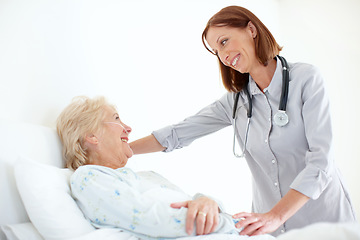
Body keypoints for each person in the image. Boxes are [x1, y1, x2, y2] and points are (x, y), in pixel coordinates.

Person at [129, 5, 357, 237]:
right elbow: (178, 133)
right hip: (268, 228)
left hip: (323, 220)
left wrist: (276, 215)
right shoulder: (236, 102)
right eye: (216, 50)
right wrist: (124, 150)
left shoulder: (306, 79)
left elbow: (321, 162)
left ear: (251, 29)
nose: (223, 55)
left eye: (224, 41)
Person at [56, 96, 240, 240]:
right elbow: (153, 221)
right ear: (92, 136)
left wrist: (207, 201)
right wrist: (233, 224)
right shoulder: (88, 178)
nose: (128, 128)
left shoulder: (150, 176)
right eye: (116, 118)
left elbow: (195, 203)